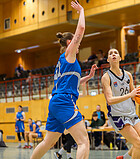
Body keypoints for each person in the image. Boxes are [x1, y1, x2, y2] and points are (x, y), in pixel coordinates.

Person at [30, 1, 97, 159]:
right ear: (69, 43)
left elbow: (68, 83)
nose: (78, 44)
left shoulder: (62, 61)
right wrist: (81, 11)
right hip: (64, 102)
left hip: (56, 101)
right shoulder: (69, 53)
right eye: (75, 41)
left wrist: (87, 77)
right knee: (83, 142)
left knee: (48, 142)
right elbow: (80, 29)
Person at [101, 48, 140, 159]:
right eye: (110, 53)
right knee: (137, 143)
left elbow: (135, 94)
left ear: (120, 58)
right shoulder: (106, 77)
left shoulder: (128, 75)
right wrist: (130, 95)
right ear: (108, 59)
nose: (113, 54)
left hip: (131, 114)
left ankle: (125, 157)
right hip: (117, 116)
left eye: (116, 53)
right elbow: (110, 100)